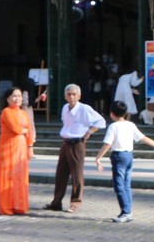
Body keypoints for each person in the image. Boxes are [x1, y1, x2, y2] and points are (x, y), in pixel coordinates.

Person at [95, 100, 154, 223]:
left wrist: (98, 157)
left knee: (119, 185)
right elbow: (143, 138)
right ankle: (128, 210)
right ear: (125, 113)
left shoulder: (113, 126)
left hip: (118, 156)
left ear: (112, 113)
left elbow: (107, 144)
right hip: (129, 156)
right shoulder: (130, 125)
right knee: (126, 185)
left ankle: (126, 212)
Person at [43, 84, 107, 213]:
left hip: (77, 143)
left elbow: (101, 122)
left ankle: (75, 202)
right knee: (61, 174)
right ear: (65, 96)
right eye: (69, 94)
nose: (71, 97)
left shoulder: (84, 108)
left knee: (77, 174)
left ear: (79, 96)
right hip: (66, 142)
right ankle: (56, 202)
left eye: (74, 94)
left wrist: (89, 132)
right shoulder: (65, 108)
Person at [0, 87, 35, 215]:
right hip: (7, 146)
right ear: (7, 99)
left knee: (20, 176)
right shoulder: (6, 112)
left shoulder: (24, 113)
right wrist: (23, 130)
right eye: (14, 96)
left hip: (22, 147)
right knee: (8, 176)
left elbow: (29, 131)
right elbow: (17, 129)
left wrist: (30, 147)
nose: (17, 98)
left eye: (19, 96)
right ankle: (7, 207)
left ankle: (20, 205)